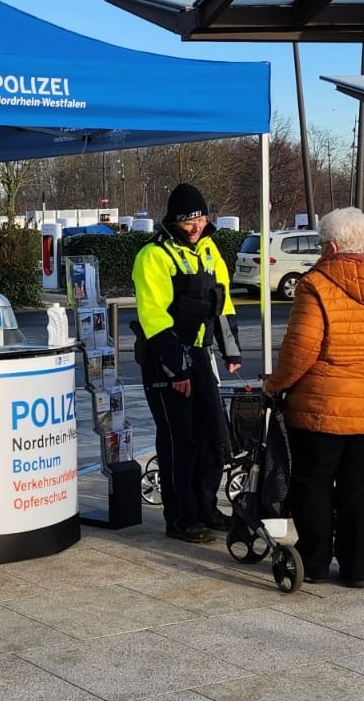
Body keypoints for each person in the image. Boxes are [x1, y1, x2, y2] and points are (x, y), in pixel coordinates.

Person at [264, 207, 364, 587]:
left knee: (314, 482)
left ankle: (316, 565)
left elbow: (301, 349)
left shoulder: (316, 284)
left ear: (332, 245)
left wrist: (275, 384)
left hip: (324, 406)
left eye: (322, 244)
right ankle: (358, 569)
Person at [132, 183, 242, 543]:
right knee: (181, 440)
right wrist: (176, 369)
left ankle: (206, 509)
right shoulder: (153, 256)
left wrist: (232, 352)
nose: (196, 226)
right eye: (188, 221)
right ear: (173, 221)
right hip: (166, 357)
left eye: (199, 218)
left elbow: (222, 304)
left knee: (213, 434)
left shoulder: (210, 249)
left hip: (199, 353)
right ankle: (180, 518)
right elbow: (154, 317)